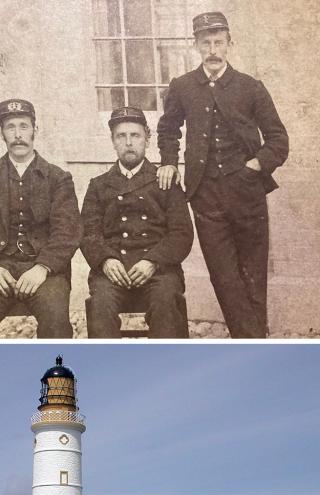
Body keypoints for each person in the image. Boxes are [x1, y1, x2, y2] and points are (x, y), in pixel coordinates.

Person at [156, 11, 288, 338]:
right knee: (224, 276)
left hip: (247, 193)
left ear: (230, 44)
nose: (213, 50)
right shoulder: (183, 86)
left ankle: (251, 343)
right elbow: (168, 129)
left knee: (253, 275)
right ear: (196, 46)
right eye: (206, 43)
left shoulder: (250, 87)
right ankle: (256, 342)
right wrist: (169, 161)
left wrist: (254, 166)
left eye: (219, 42)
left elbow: (278, 140)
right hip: (206, 195)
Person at [0, 99, 79, 339]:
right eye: (11, 127)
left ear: (35, 130)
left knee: (57, 325)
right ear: (1, 133)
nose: (18, 134)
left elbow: (67, 231)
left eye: (24, 126)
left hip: (44, 272)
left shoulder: (58, 178)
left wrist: (43, 267)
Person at [81, 106, 194, 338]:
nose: (129, 142)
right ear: (113, 141)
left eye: (135, 135)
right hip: (113, 271)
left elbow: (181, 234)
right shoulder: (99, 185)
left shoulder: (165, 181)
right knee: (100, 304)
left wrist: (152, 261)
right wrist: (106, 261)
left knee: (165, 301)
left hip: (158, 271)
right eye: (121, 136)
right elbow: (88, 233)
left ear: (148, 138)